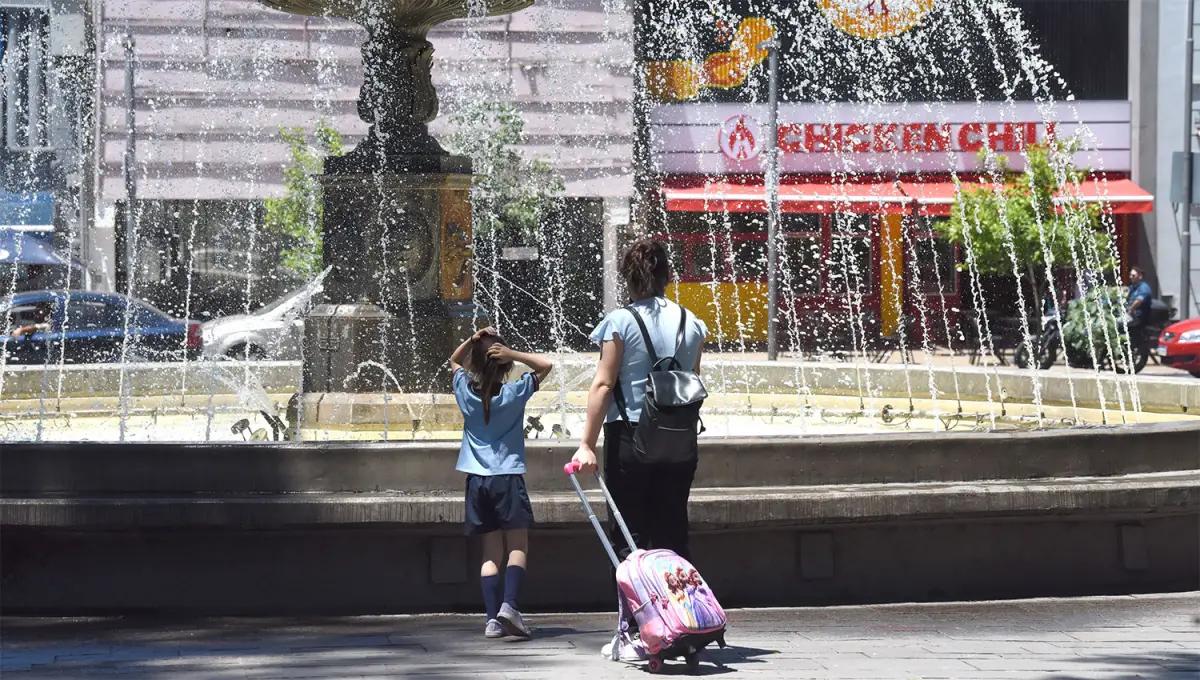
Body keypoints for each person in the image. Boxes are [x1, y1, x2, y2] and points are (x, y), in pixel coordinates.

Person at [569, 238, 707, 661]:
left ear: (629, 279)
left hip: (631, 440)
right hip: (680, 443)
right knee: (672, 533)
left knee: (628, 539)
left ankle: (637, 632)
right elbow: (690, 386)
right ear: (668, 277)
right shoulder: (692, 322)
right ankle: (683, 626)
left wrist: (586, 444)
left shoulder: (620, 322)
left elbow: (605, 384)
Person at [450, 327, 553, 641]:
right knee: (518, 547)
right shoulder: (514, 393)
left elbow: (453, 361)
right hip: (507, 478)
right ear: (506, 365)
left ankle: (492, 620)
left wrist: (473, 339)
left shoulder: (464, 390)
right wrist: (513, 353)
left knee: (490, 553)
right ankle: (510, 606)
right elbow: (546, 365)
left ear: (476, 364)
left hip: (477, 481)